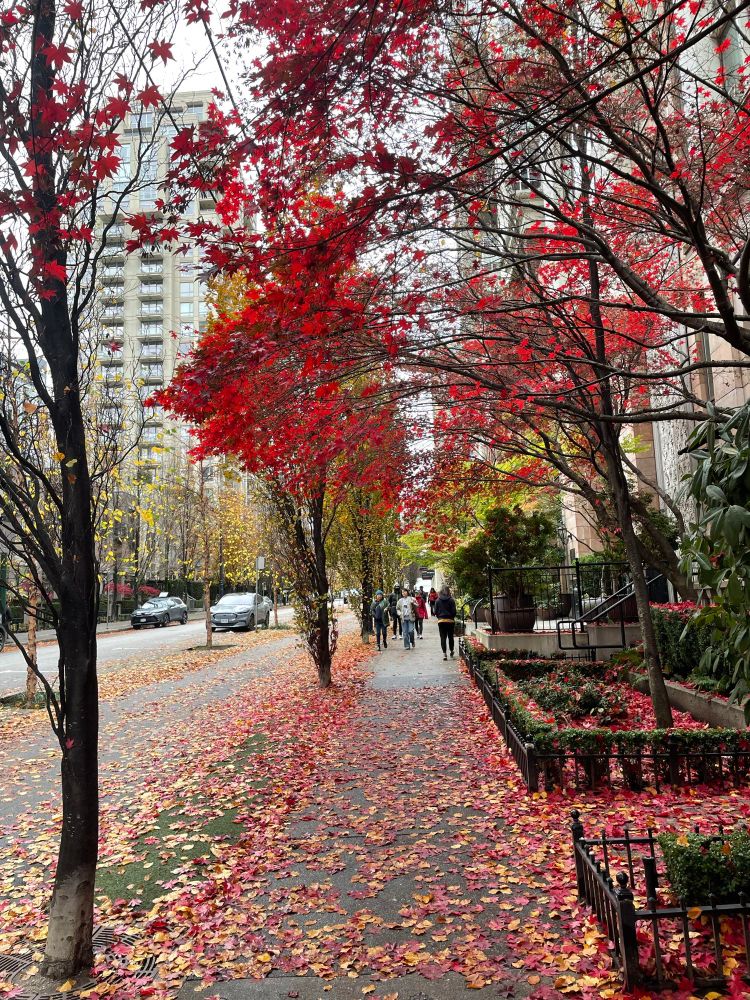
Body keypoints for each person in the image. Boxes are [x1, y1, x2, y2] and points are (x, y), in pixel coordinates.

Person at [434, 585, 457, 660]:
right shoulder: (451, 600)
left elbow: (435, 612)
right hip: (450, 621)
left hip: (441, 621)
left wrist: (439, 617)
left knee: (443, 637)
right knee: (450, 637)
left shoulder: (437, 600)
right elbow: (454, 611)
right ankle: (452, 651)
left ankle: (444, 654)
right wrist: (451, 617)